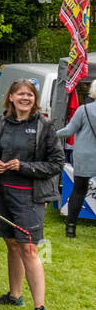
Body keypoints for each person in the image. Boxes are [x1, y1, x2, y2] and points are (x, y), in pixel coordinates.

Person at [0, 79, 64, 310]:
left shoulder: (44, 126)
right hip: (1, 194)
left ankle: (40, 307)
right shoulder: (0, 123)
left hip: (30, 197)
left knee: (29, 248)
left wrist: (23, 166)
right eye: (20, 94)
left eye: (30, 95)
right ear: (11, 97)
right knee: (12, 245)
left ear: (35, 99)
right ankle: (14, 295)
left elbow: (56, 163)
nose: (25, 98)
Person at [56, 84, 96, 238]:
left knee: (79, 191)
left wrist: (50, 133)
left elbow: (69, 131)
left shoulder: (83, 110)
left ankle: (71, 228)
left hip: (83, 156)